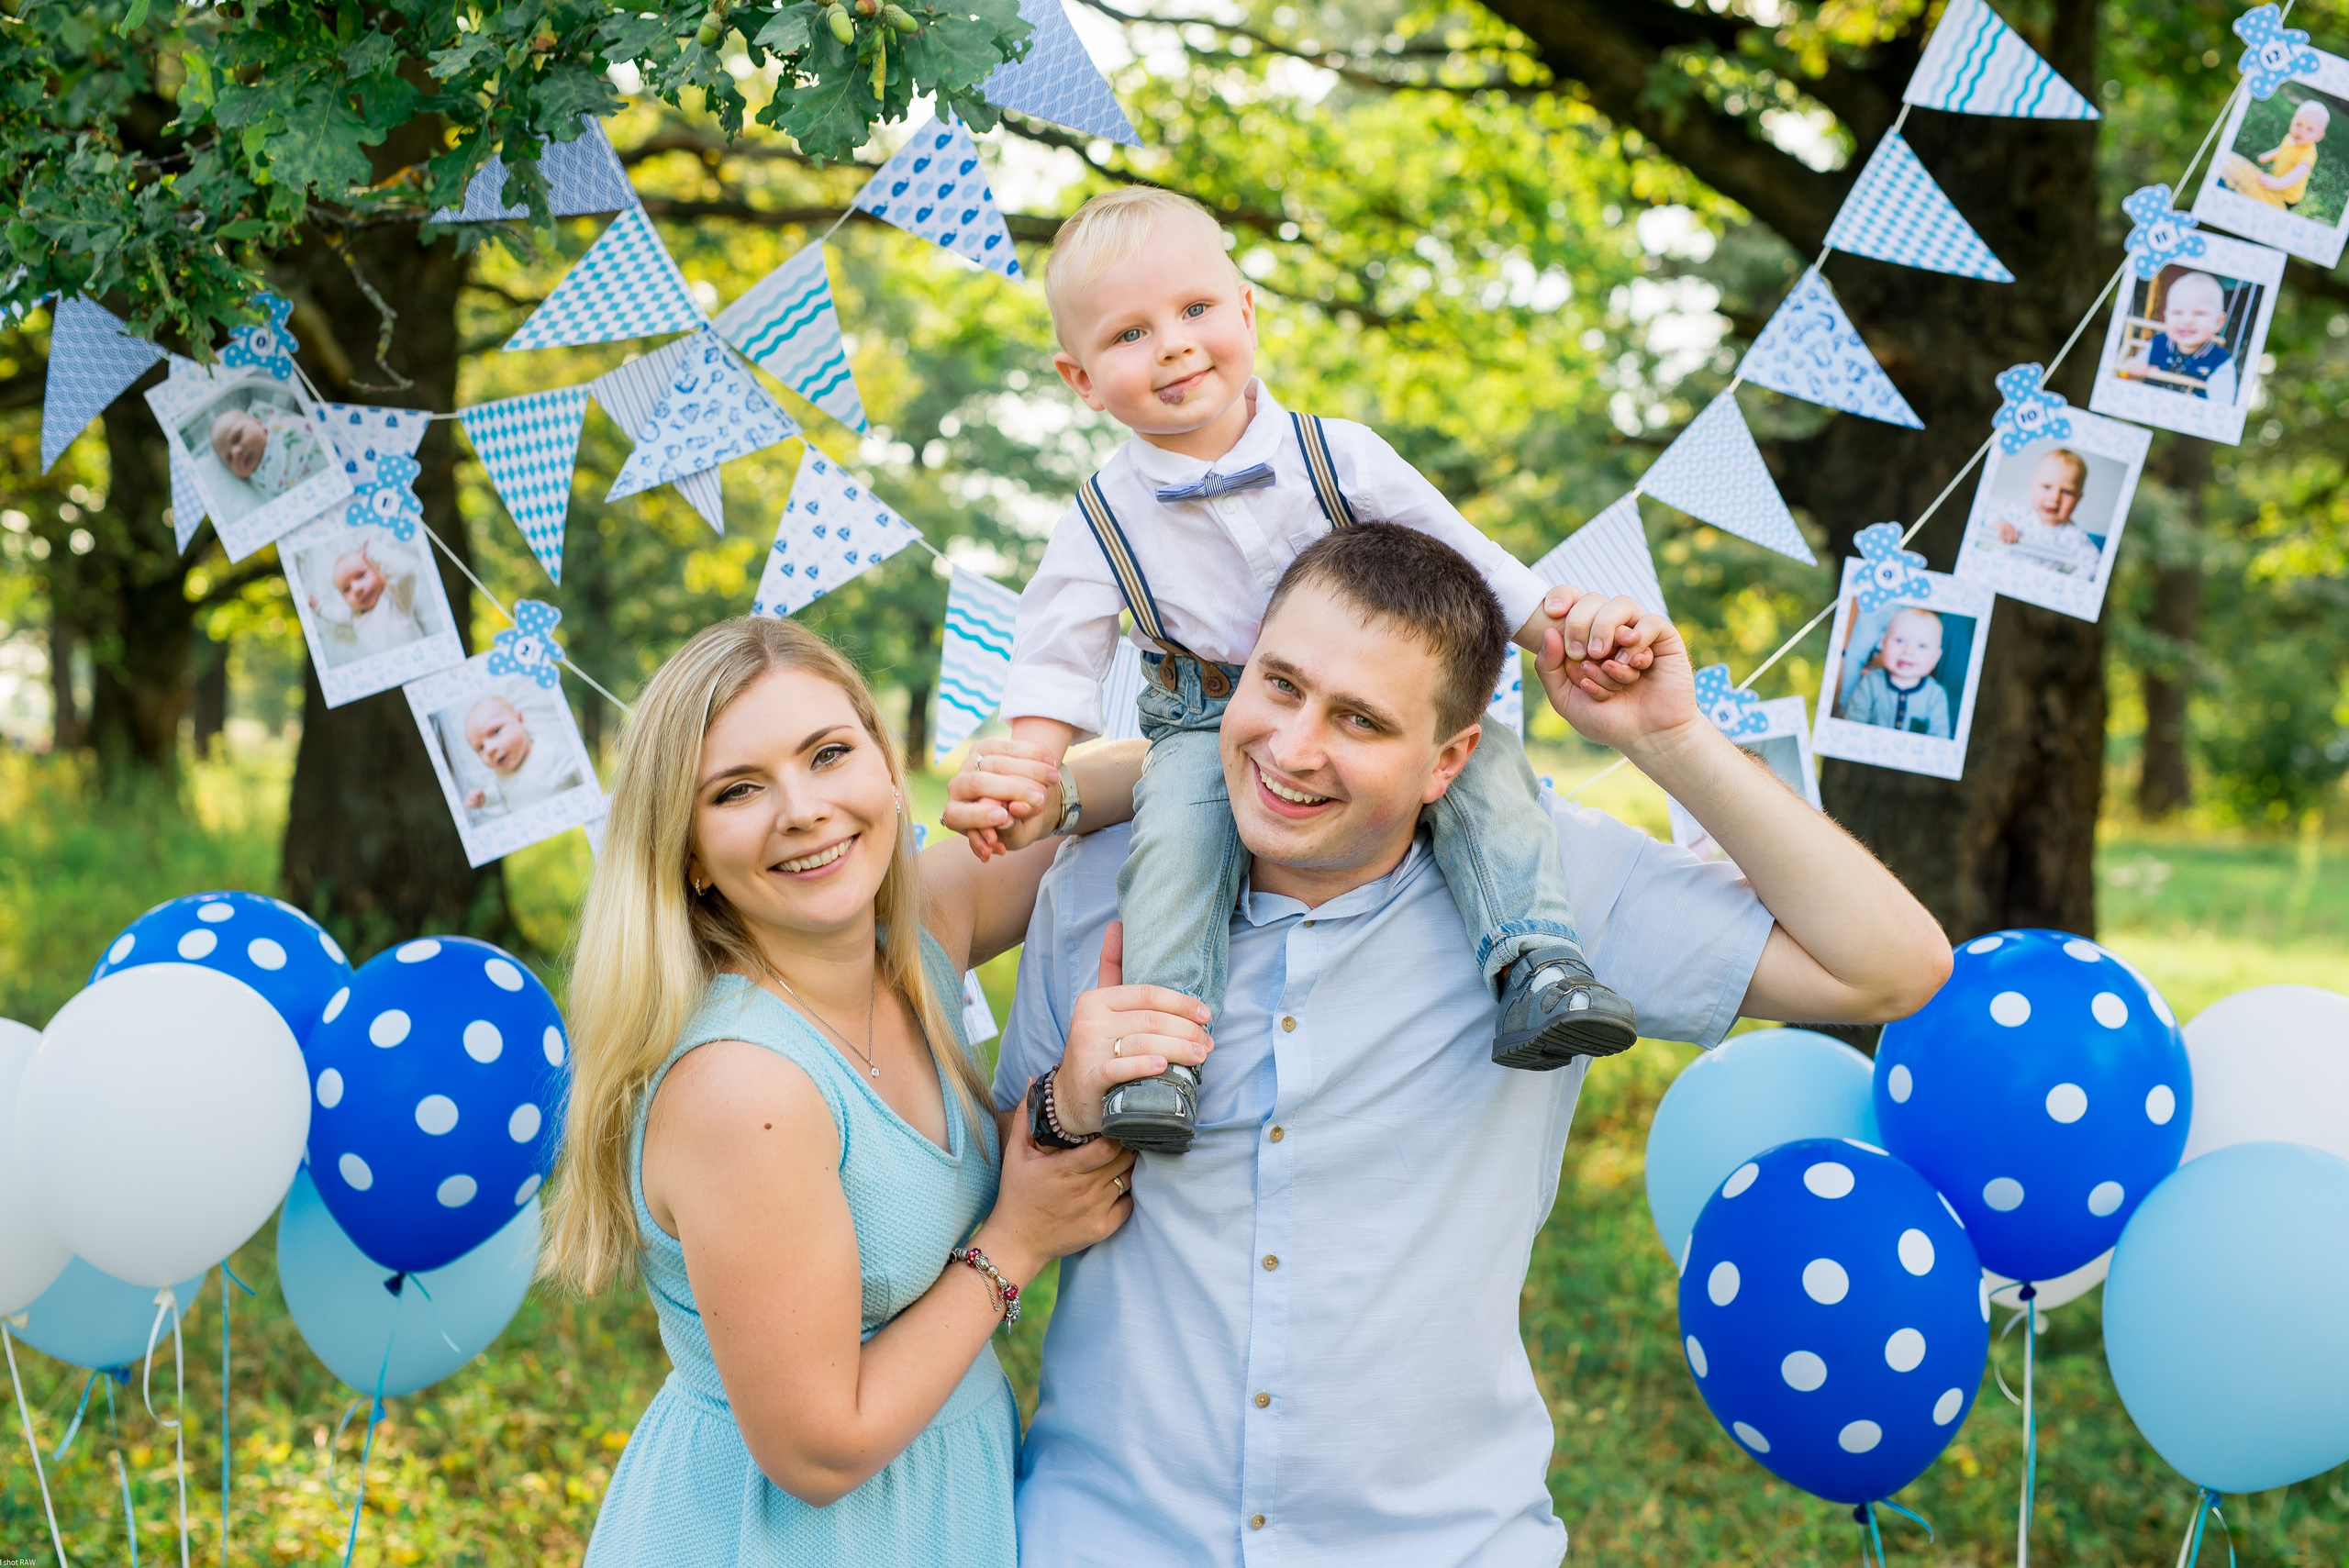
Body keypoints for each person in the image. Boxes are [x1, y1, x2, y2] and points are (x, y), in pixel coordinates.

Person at [965, 525, 1950, 1566]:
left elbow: (1888, 966)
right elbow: (983, 1204)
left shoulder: (1553, 893)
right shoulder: (1097, 883)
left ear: (1450, 760)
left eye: (1359, 719)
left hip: (1438, 1540)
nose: (1294, 747)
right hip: (1113, 1533)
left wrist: (1666, 740)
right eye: (1280, 684)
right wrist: (1057, 1106)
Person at [967, 185, 1637, 1155]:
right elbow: (1055, 648)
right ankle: (1162, 1051)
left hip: (1373, 704)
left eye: (1196, 310)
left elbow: (1467, 555)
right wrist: (1034, 765)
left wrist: (1555, 634)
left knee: (1481, 769)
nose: (1173, 345)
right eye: (1129, 334)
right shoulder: (1102, 513)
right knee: (1177, 845)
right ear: (1078, 377)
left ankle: (1536, 960)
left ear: (1246, 310)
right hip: (1207, 720)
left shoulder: (1337, 455)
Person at [547, 617, 1204, 1566]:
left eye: (829, 754)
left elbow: (1164, 770)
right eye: (736, 789)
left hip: (940, 1493)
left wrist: (1048, 787)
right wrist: (1016, 1237)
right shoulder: (743, 1085)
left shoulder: (915, 938)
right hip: (792, 1533)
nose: (803, 808)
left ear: (889, 773)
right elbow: (820, 1447)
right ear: (687, 850)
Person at [1972, 448, 2101, 575]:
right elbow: (1988, 511)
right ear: (2032, 486)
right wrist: (1999, 524)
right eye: (2047, 487)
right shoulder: (2019, 514)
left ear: (2078, 499)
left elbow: (2093, 562)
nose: (2055, 497)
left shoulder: (2073, 536)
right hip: (2001, 570)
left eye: (2067, 492)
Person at [2116, 271, 2238, 403]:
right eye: (2177, 313)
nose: (2187, 321)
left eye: (2199, 313)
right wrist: (2135, 365)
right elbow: (2137, 363)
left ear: (2218, 322)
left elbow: (2221, 406)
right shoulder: (2159, 342)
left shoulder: (2220, 362)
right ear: (2167, 317)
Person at [459, 690, 584, 815]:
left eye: (496, 732)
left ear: (520, 720)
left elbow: (580, 768)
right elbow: (499, 794)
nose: (489, 749)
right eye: (480, 748)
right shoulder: (501, 774)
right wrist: (485, 798)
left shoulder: (549, 752)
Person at [1838, 606, 1953, 739]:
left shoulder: (1936, 695)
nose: (1908, 651)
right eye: (1899, 641)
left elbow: (1941, 737)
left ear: (1936, 657)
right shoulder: (1870, 683)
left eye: (1921, 646)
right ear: (1883, 644)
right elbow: (1853, 724)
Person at [308, 538, 424, 657]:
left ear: (379, 570)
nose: (356, 589)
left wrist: (373, 550)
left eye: (362, 575)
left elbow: (404, 573)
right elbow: (336, 614)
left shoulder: (395, 601)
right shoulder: (356, 617)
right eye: (347, 590)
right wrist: (319, 608)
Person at [207, 395, 328, 499]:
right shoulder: (258, 484)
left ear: (258, 423)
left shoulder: (278, 427)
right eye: (229, 458)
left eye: (237, 437)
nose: (236, 453)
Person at [2220, 98, 2329, 210]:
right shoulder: (2291, 138)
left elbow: (2299, 173)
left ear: (2319, 136)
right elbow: (2283, 149)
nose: (2301, 131)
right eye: (2298, 124)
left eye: (2309, 129)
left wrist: (2278, 183)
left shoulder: (2308, 154)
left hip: (2287, 196)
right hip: (2277, 182)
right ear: (2292, 121)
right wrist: (2269, 156)